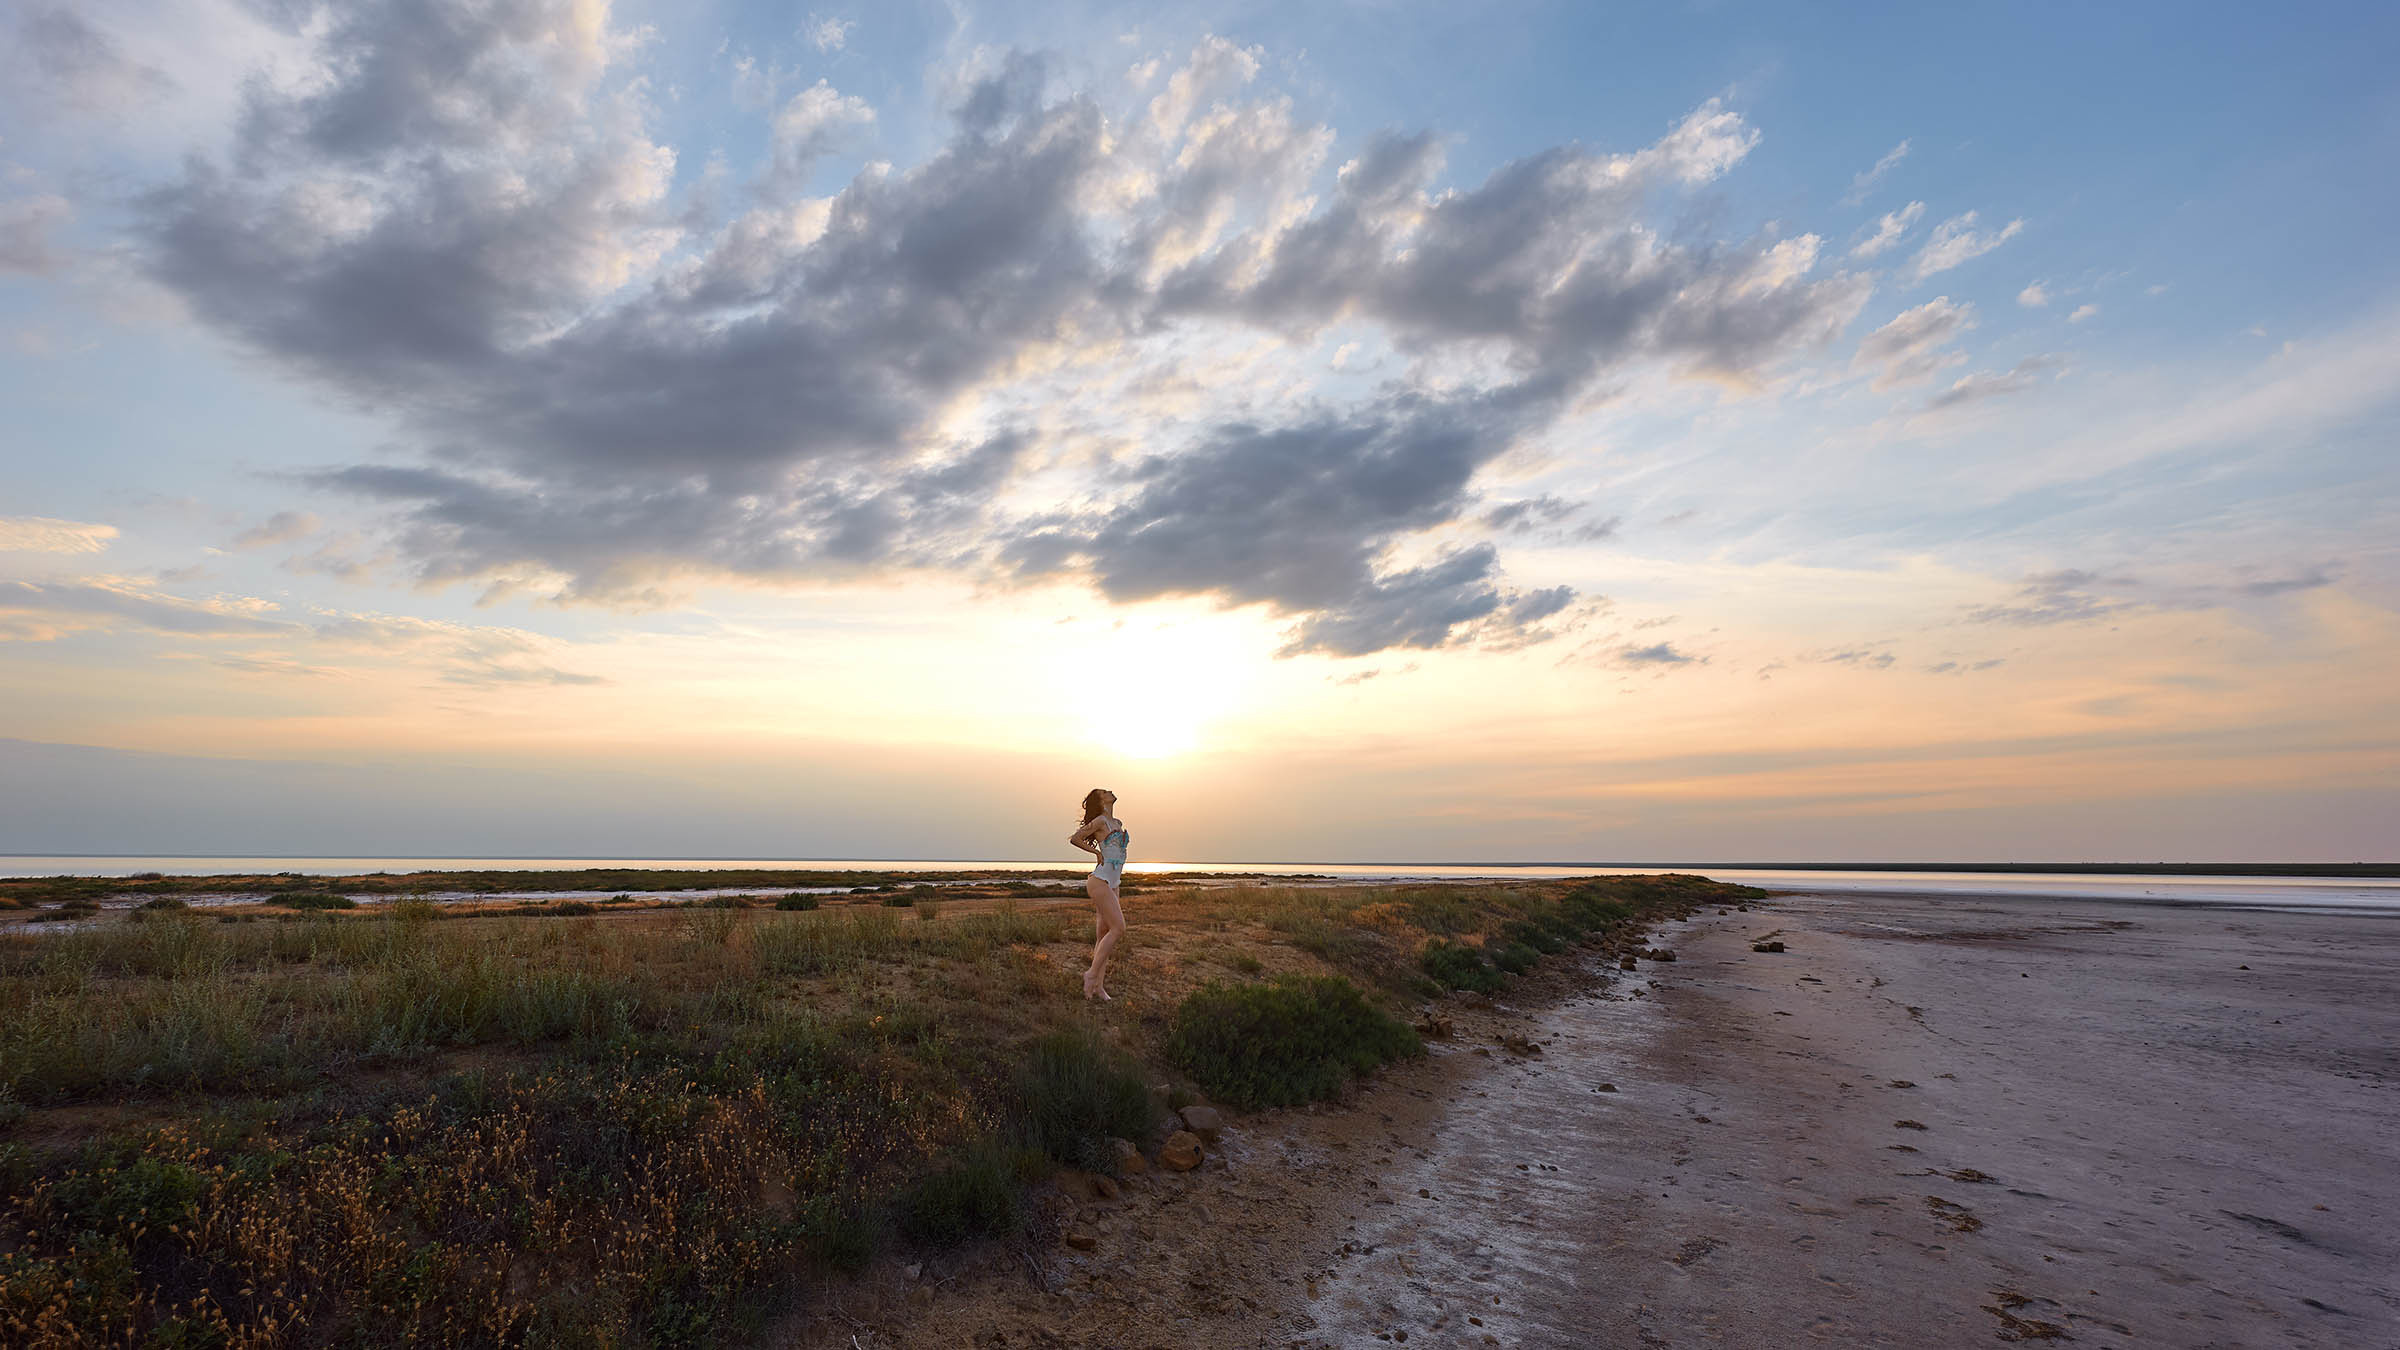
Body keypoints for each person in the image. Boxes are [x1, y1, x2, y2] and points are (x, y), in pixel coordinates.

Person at [1066, 787, 1128, 1001]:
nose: (1110, 791)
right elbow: (1076, 838)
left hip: (1114, 882)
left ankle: (1098, 987)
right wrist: (1095, 852)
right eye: (1104, 791)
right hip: (1099, 881)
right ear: (1101, 801)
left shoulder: (1117, 823)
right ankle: (1091, 975)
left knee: (1103, 934)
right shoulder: (1101, 821)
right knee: (1119, 928)